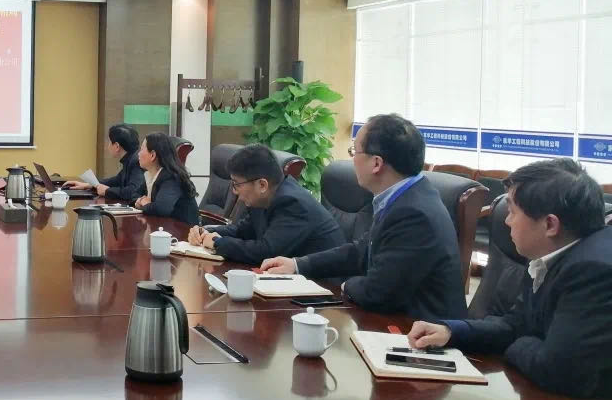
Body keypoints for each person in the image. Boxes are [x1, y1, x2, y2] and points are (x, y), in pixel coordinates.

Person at [408, 158, 612, 398]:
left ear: (550, 224)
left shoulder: (595, 271)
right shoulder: (548, 252)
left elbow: (558, 371)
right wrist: (451, 332)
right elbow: (516, 324)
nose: (506, 221)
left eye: (513, 212)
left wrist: (519, 342)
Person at [262, 113, 467, 320]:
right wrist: (297, 265)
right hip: (397, 319)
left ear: (376, 163)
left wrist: (343, 286)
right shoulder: (404, 197)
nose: (353, 160)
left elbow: (377, 292)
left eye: (355, 151)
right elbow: (361, 251)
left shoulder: (413, 213)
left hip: (418, 328)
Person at [187, 144, 345, 264]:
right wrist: (206, 232)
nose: (234, 192)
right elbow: (242, 231)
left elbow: (266, 252)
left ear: (262, 185)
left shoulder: (292, 203)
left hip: (325, 287)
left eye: (236, 184)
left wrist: (218, 243)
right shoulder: (264, 198)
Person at [132, 132, 199, 225]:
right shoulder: (151, 175)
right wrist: (141, 201)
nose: (138, 154)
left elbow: (162, 209)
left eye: (142, 149)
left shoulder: (172, 177)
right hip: (164, 226)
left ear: (152, 155)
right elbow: (134, 195)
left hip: (184, 230)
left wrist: (145, 203)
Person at [66, 123, 145, 201]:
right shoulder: (130, 159)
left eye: (109, 142)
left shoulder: (136, 162)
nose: (108, 146)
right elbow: (116, 180)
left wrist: (107, 191)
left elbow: (133, 191)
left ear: (117, 146)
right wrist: (90, 185)